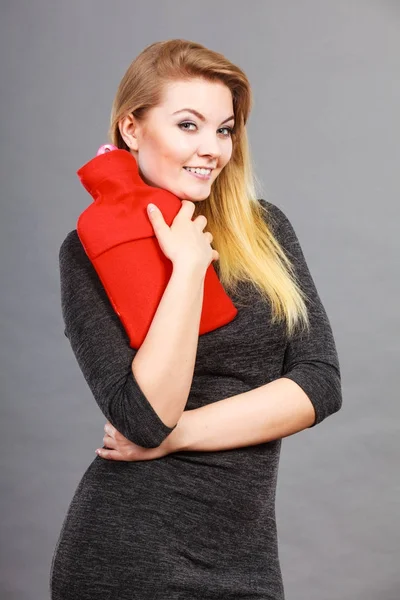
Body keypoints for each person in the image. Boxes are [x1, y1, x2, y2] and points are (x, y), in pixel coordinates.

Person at [50, 39, 342, 600]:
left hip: (247, 560)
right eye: (189, 125)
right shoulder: (89, 252)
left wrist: (175, 437)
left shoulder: (265, 230)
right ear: (131, 128)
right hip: (129, 557)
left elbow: (319, 384)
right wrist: (187, 267)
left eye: (225, 129)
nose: (211, 148)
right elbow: (145, 417)